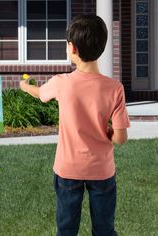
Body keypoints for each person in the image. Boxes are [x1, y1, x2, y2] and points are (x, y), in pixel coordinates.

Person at [19, 15, 130, 236]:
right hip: (102, 170)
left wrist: (24, 85)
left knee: (67, 229)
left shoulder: (61, 83)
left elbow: (40, 93)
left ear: (73, 48)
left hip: (68, 168)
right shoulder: (115, 88)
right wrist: (105, 131)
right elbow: (120, 138)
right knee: (104, 229)